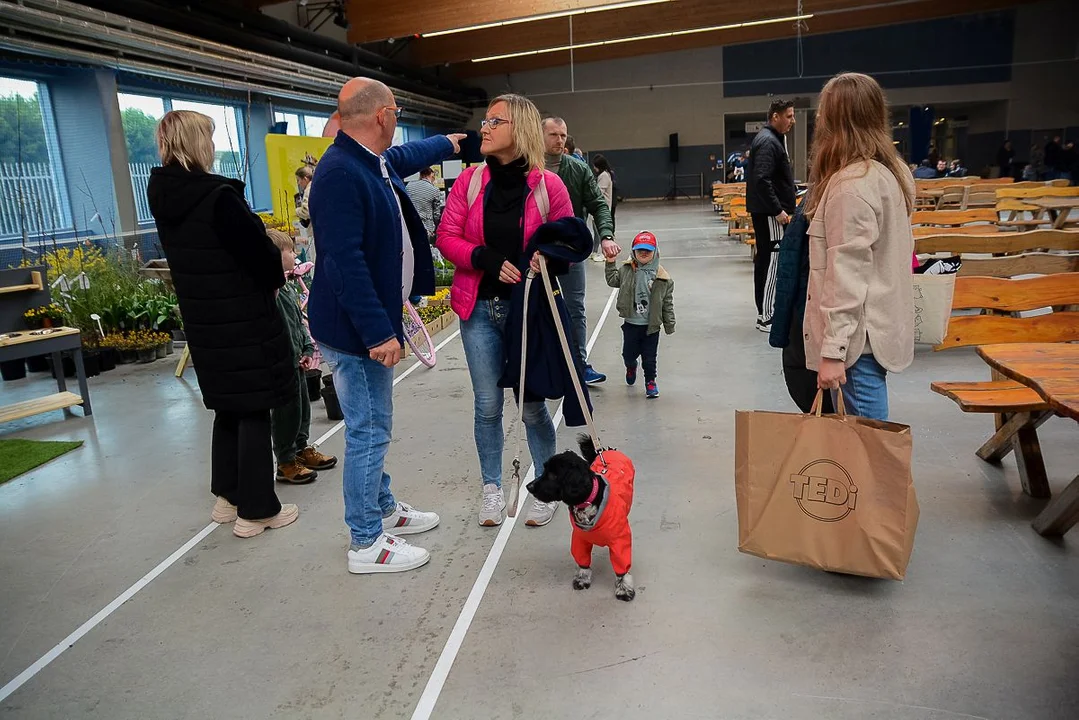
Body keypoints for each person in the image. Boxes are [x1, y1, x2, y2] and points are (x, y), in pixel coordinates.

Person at [307, 77, 465, 574]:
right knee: (369, 430)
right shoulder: (338, 174)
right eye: (396, 112)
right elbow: (342, 263)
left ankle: (383, 510)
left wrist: (449, 143)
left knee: (372, 426)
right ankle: (366, 541)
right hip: (356, 330)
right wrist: (378, 332)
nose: (397, 121)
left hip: (368, 319)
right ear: (382, 116)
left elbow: (405, 157)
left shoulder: (368, 160)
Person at [147, 110, 299, 538]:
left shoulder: (165, 198)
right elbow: (259, 255)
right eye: (209, 138)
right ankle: (257, 510)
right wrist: (275, 273)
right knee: (254, 407)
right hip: (243, 318)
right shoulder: (219, 198)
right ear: (198, 144)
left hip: (205, 320)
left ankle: (228, 496)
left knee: (229, 407)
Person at [436, 94, 575, 529]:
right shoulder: (470, 182)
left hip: (528, 312)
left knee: (532, 405)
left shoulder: (549, 187)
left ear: (521, 131)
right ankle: (492, 489)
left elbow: (569, 244)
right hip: (477, 309)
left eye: (496, 121)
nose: (485, 127)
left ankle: (546, 486)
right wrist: (485, 258)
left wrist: (546, 259)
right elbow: (446, 236)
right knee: (487, 405)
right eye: (486, 119)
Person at [803, 72, 915, 422]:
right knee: (866, 450)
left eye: (824, 113)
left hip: (856, 343)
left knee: (866, 452)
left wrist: (834, 351)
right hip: (874, 330)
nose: (819, 120)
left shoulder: (851, 186)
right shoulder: (891, 171)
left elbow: (846, 275)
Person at [542, 116, 620, 385]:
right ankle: (544, 366)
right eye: (553, 135)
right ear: (540, 136)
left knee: (575, 307)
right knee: (537, 309)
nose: (559, 140)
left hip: (571, 251)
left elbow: (598, 204)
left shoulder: (578, 169)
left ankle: (579, 364)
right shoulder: (526, 168)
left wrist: (606, 235)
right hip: (536, 254)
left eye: (563, 135)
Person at [266, 229, 337, 485]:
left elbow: (297, 322)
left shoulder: (287, 288)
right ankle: (285, 461)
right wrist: (291, 354)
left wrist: (307, 348)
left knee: (302, 408)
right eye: (290, 251)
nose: (295, 255)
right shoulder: (270, 293)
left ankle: (301, 448)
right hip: (284, 364)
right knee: (286, 413)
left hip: (297, 361)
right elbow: (278, 330)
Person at [604, 231, 675, 399]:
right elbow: (613, 281)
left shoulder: (662, 277)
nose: (643, 253)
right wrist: (610, 262)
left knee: (650, 358)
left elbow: (667, 302)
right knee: (628, 353)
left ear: (655, 252)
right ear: (633, 251)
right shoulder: (627, 270)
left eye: (648, 250)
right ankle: (630, 365)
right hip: (631, 323)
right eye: (640, 250)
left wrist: (669, 323)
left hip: (651, 326)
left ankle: (650, 382)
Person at [746, 98, 797, 333]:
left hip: (771, 212)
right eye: (788, 116)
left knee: (769, 260)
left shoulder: (775, 140)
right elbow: (761, 179)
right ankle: (766, 316)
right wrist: (777, 210)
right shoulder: (768, 142)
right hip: (770, 215)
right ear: (775, 117)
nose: (792, 121)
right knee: (771, 261)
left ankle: (768, 313)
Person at [406, 167, 444, 243]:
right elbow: (436, 214)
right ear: (431, 175)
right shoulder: (434, 190)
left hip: (410, 225)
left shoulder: (409, 186)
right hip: (427, 226)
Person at [591, 154, 616, 262]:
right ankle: (594, 251)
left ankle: (604, 252)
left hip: (602, 208)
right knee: (596, 232)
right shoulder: (604, 175)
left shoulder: (604, 176)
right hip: (598, 208)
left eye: (595, 166)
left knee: (600, 231)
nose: (594, 168)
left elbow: (599, 192)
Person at [294, 166, 315, 263]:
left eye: (299, 180)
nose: (298, 183)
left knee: (314, 259)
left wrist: (297, 211)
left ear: (305, 178)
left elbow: (306, 211)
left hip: (314, 229)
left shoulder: (308, 190)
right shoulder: (316, 186)